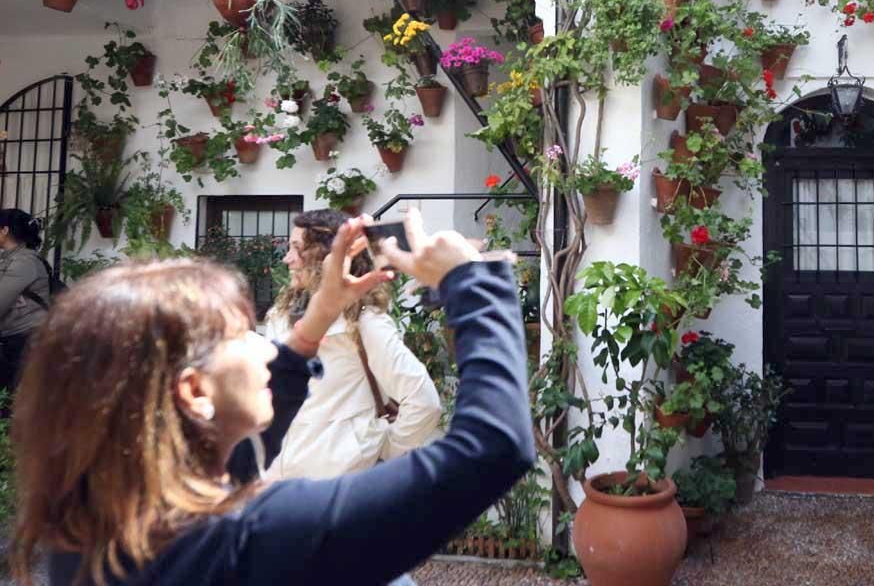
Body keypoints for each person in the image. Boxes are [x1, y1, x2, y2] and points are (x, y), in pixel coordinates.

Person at [12, 211, 535, 586]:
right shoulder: (252, 538)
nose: (266, 348)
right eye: (242, 335)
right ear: (194, 392)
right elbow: (493, 447)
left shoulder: (96, 526)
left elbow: (238, 453)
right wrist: (473, 281)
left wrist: (320, 315)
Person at [263, 209, 442, 479]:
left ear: (325, 258)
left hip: (339, 492)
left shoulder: (365, 322)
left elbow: (424, 401)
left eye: (298, 250)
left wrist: (381, 450)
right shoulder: (279, 316)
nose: (288, 259)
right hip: (276, 485)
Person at [0, 209, 50, 398]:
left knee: (20, 401)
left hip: (28, 340)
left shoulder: (25, 261)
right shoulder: (9, 259)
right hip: (13, 339)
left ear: (4, 230)